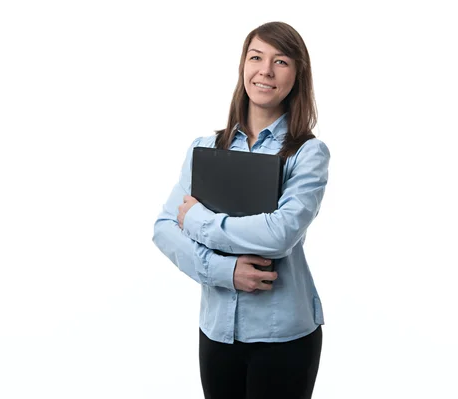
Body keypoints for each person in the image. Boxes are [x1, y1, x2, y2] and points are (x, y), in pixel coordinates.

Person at [153, 21, 330, 399]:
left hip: (284, 336)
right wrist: (225, 271)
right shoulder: (206, 147)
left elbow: (280, 234)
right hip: (216, 331)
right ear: (243, 67)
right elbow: (165, 228)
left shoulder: (307, 154)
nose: (265, 71)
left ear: (297, 75)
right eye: (256, 57)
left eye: (280, 61)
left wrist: (199, 221)